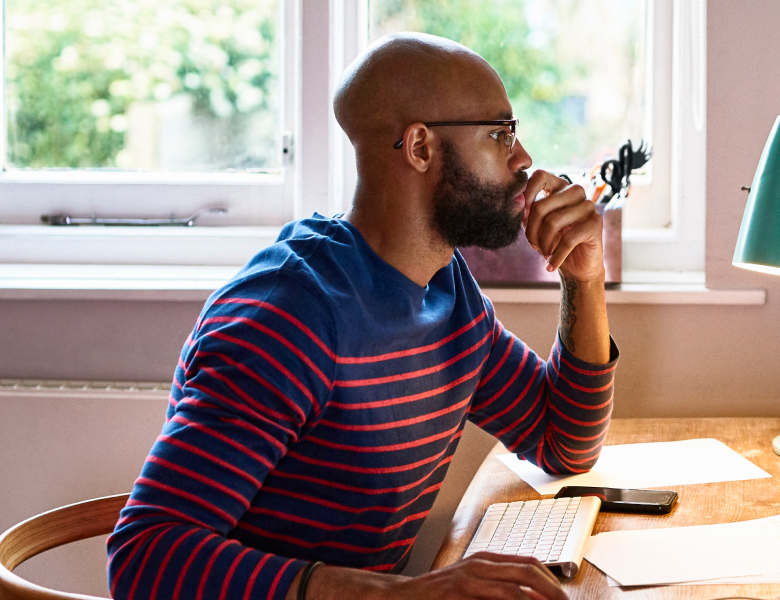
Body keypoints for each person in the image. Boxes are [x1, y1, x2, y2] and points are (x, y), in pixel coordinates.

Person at [105, 33, 614, 600]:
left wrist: (583, 277)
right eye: (500, 134)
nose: (523, 162)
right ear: (420, 147)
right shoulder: (288, 319)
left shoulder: (446, 289)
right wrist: (401, 594)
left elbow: (562, 440)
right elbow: (143, 557)